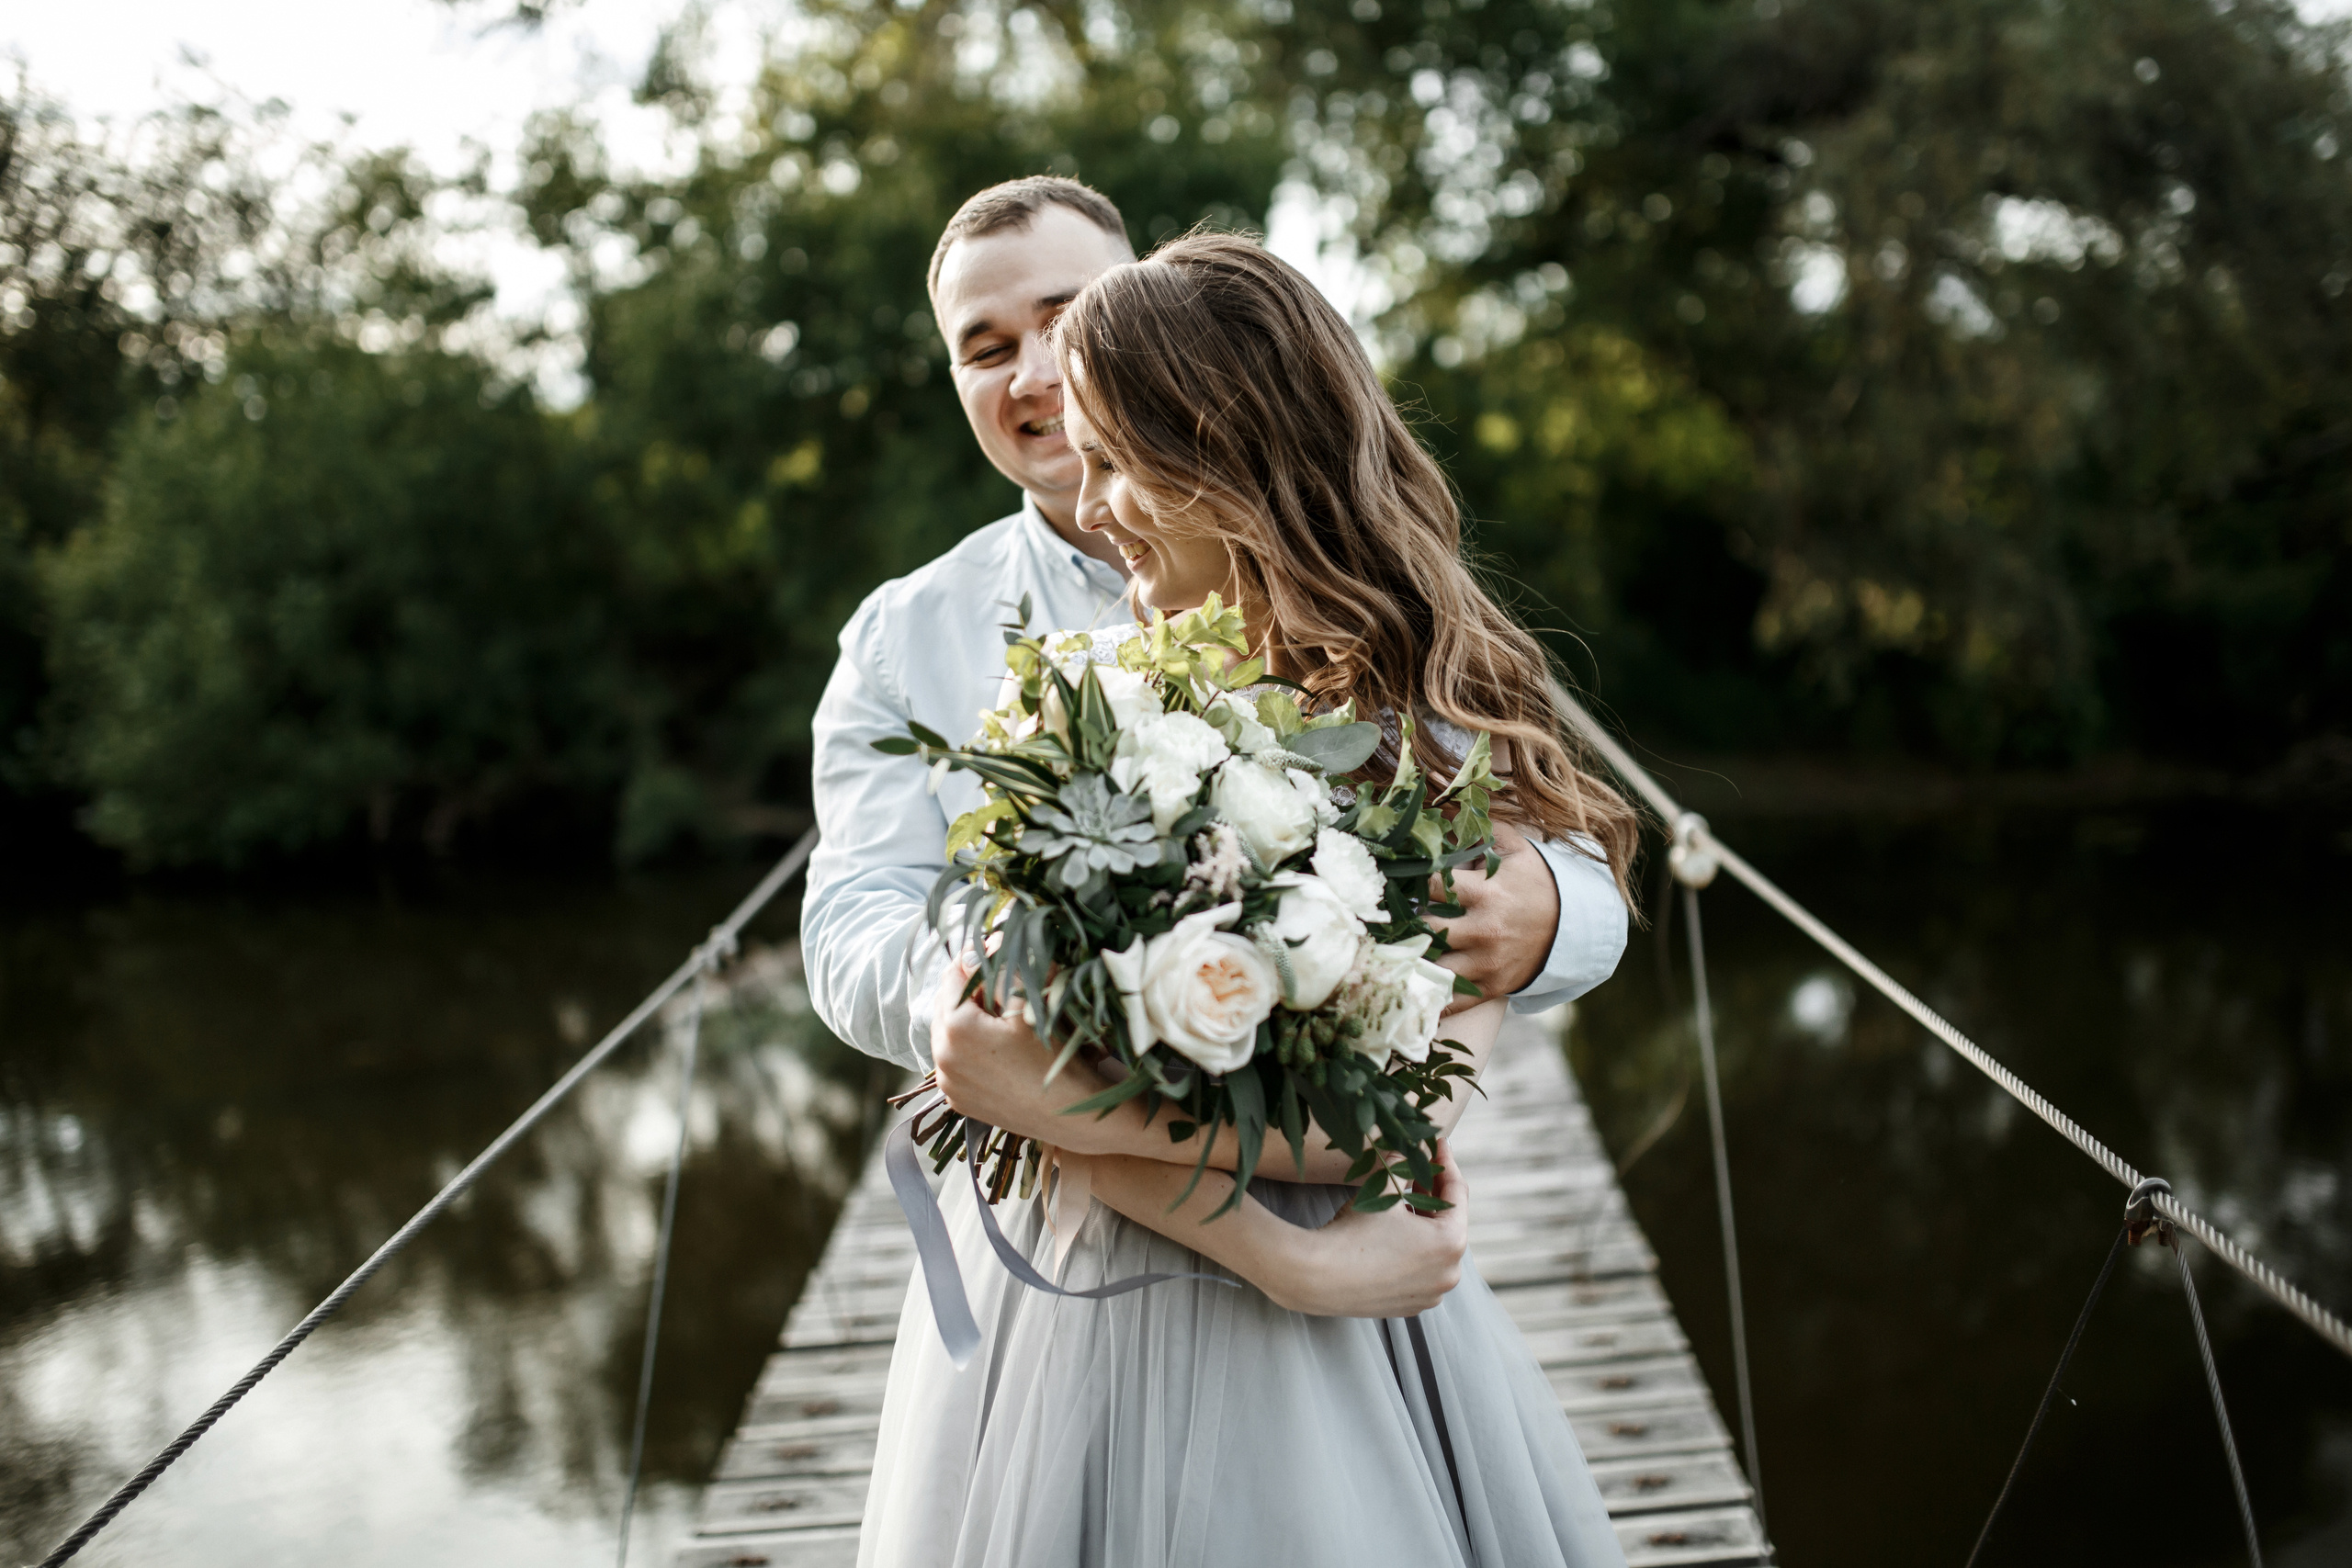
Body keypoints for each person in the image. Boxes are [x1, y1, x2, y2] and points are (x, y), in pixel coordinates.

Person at [808, 179, 1638, 1564]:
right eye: (983, 343)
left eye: (1065, 325)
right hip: (1063, 1257)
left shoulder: (1389, 638)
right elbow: (854, 923)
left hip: (1312, 1253)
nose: (1037, 380)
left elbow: (1496, 930)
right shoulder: (917, 636)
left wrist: (1552, 908)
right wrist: (1000, 1006)